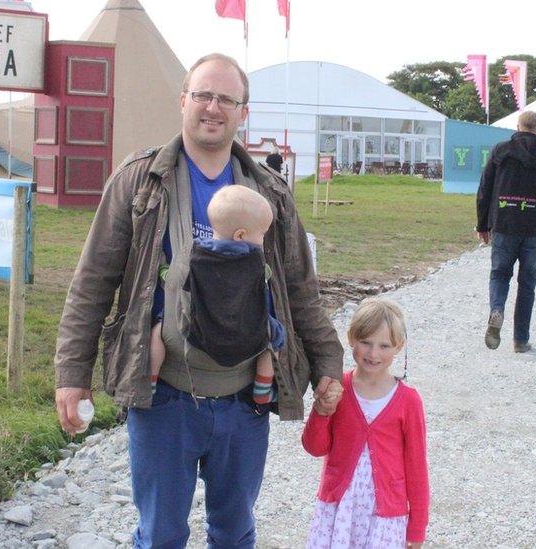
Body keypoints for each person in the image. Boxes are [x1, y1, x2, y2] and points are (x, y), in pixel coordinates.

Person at [54, 53, 345, 548]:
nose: (213, 107)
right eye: (203, 95)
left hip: (245, 399)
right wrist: (71, 373)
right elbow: (92, 282)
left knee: (233, 534)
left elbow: (301, 289)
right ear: (183, 101)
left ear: (243, 112)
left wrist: (328, 364)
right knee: (162, 535)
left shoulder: (269, 192)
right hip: (163, 396)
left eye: (226, 99)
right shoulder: (138, 181)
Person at [302, 298, 429, 548]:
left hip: (385, 516)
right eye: (365, 343)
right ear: (351, 338)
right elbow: (314, 447)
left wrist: (416, 528)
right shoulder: (339, 388)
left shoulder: (408, 401)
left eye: (384, 346)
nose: (373, 354)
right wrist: (322, 409)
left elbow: (417, 468)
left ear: (399, 347)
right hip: (339, 510)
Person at [148, 184, 283, 404]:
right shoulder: (257, 263)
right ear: (241, 235)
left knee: (157, 331)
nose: (263, 240)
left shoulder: (195, 254)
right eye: (263, 234)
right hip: (246, 333)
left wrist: (164, 271)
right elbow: (265, 281)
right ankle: (263, 388)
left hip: (197, 330)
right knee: (275, 338)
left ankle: (151, 380)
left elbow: (175, 281)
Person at [476, 110, 536, 353]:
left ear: (517, 126)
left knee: (499, 274)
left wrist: (482, 225)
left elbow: (484, 189)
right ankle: (520, 340)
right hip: (535, 230)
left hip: (504, 225)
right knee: (527, 283)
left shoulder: (500, 151)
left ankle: (497, 309)